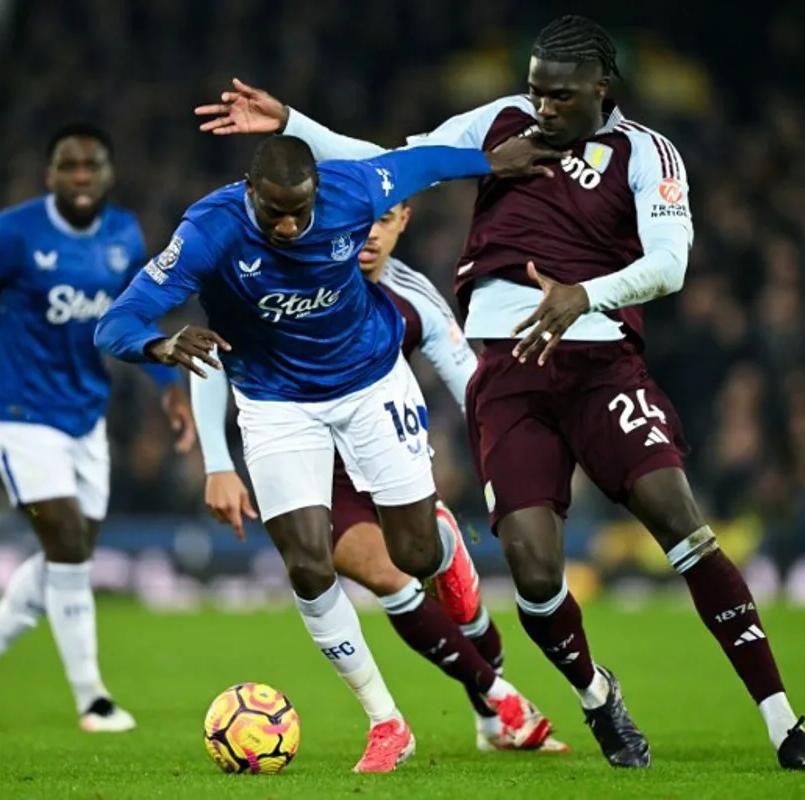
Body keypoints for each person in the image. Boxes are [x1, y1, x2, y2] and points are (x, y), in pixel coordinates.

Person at [192, 15, 805, 772]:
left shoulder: (646, 154)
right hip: (509, 375)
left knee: (682, 524)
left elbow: (671, 264)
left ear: (602, 89)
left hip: (602, 368)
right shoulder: (499, 121)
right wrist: (295, 126)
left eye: (560, 96)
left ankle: (782, 723)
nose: (542, 107)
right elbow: (399, 164)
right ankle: (598, 696)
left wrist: (585, 295)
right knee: (534, 573)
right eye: (536, 90)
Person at [94, 133, 559, 771]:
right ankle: (386, 721)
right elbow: (116, 321)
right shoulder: (209, 231)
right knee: (309, 567)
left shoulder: (352, 190)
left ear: (317, 191)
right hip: (277, 404)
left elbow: (420, 165)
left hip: (369, 382)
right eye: (274, 212)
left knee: (415, 554)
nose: (289, 224)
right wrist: (160, 345)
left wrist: (488, 161)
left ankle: (443, 540)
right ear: (249, 193)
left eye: (300, 210)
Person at [192, 199, 568, 753]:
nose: (369, 236)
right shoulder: (288, 269)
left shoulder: (415, 296)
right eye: (360, 222)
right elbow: (214, 350)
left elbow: (473, 386)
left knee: (451, 596)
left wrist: (504, 460)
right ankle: (491, 700)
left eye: (384, 223)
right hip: (319, 470)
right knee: (387, 577)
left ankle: (490, 719)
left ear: (404, 221)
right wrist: (217, 462)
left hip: (389, 455)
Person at [0, 123, 196, 734]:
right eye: (69, 166)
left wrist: (169, 389)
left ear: (110, 173)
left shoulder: (124, 235)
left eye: (92, 166)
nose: (81, 177)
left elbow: (137, 315)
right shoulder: (11, 234)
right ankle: (93, 699)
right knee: (64, 542)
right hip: (18, 414)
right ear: (49, 174)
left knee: (71, 552)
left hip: (86, 414)